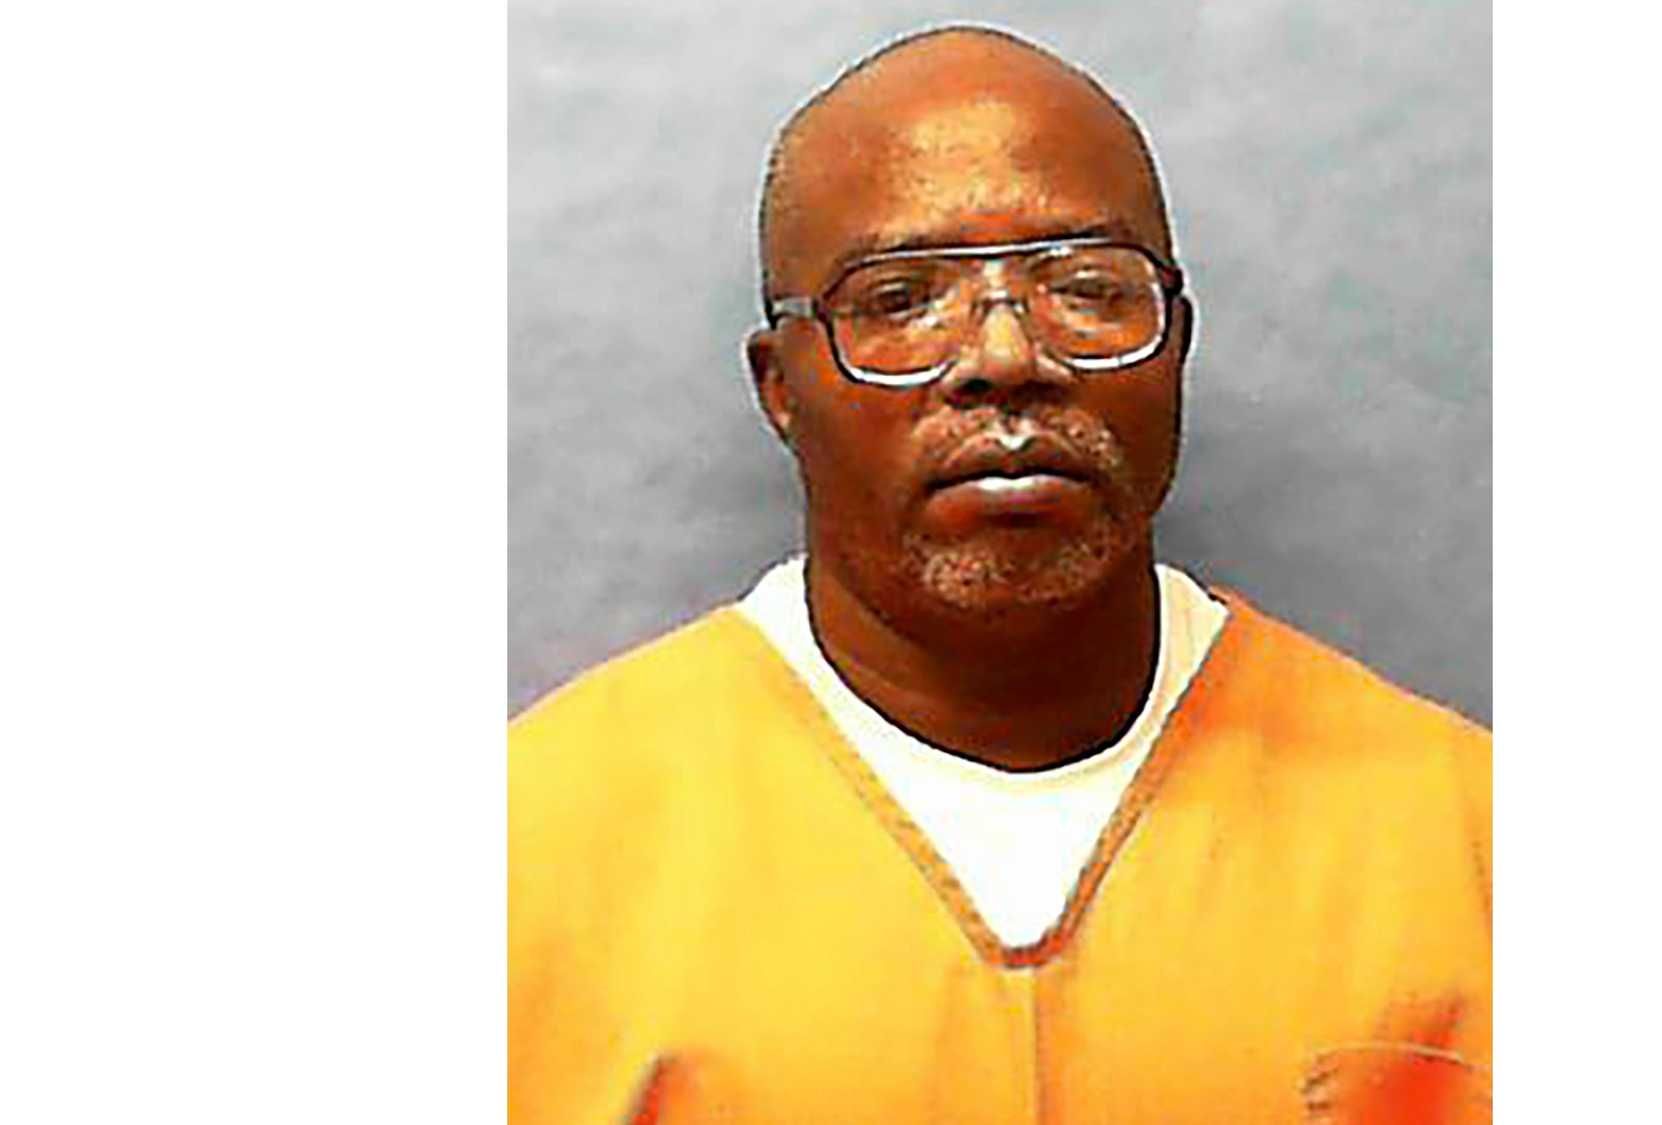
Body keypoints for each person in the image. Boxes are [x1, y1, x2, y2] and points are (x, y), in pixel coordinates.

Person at [510, 25, 1490, 1124]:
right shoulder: (531, 853)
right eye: (899, 299)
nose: (1006, 357)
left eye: (1087, 286)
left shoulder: (1466, 843)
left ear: (1176, 341)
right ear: (779, 387)